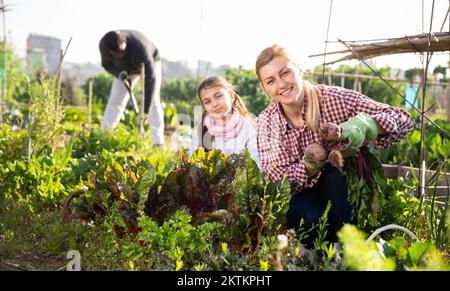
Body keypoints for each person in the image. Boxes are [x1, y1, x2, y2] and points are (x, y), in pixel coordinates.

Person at [255, 44, 413, 247]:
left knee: (335, 172)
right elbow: (278, 181)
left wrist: (354, 128)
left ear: (299, 69)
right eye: (270, 81)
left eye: (285, 73)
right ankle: (320, 254)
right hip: (300, 194)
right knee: (310, 221)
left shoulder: (333, 99)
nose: (281, 84)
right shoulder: (268, 122)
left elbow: (402, 118)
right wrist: (310, 165)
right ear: (265, 88)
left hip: (342, 191)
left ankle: (345, 250)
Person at [99, 30, 164, 145]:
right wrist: (118, 73)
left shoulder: (140, 47)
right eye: (115, 54)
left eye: (121, 52)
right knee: (115, 100)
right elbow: (106, 65)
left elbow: (150, 79)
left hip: (149, 65)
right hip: (124, 71)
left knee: (154, 101)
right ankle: (105, 135)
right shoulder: (104, 46)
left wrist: (144, 113)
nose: (119, 56)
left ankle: (158, 142)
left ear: (125, 43)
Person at [190, 76, 261, 168]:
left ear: (231, 96)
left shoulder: (249, 128)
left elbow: (256, 167)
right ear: (205, 107)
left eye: (218, 96)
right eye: (207, 102)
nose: (214, 104)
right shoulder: (199, 131)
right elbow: (192, 166)